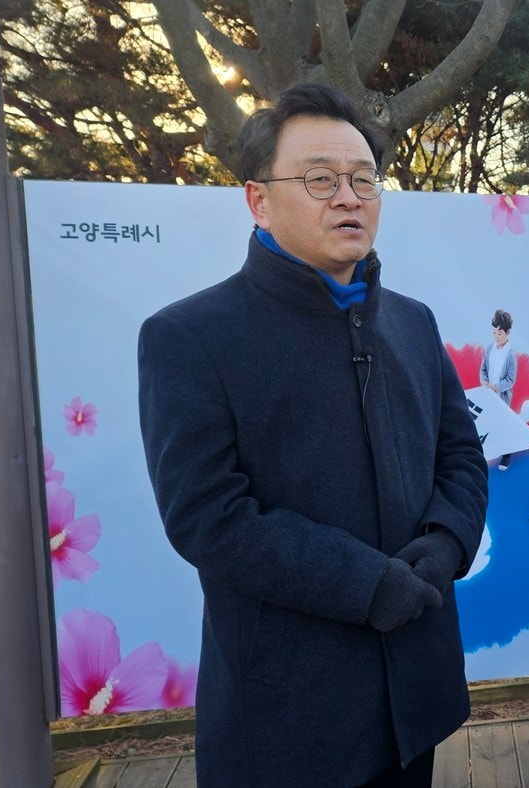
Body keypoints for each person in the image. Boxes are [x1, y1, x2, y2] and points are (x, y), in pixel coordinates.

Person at [137, 84, 487, 787]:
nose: (350, 198)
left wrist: (445, 547)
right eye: (321, 179)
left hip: (414, 698)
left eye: (364, 180)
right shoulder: (189, 337)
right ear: (257, 199)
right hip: (287, 718)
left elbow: (461, 455)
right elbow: (208, 517)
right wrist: (365, 583)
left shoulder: (413, 322)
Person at [480, 308, 517, 470]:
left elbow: (510, 379)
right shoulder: (489, 348)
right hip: (488, 395)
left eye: (500, 333)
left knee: (503, 426)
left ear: (508, 333)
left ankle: (506, 455)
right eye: (494, 332)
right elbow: (483, 369)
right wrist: (484, 382)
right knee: (487, 422)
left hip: (501, 398)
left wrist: (496, 387)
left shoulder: (510, 355)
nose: (496, 336)